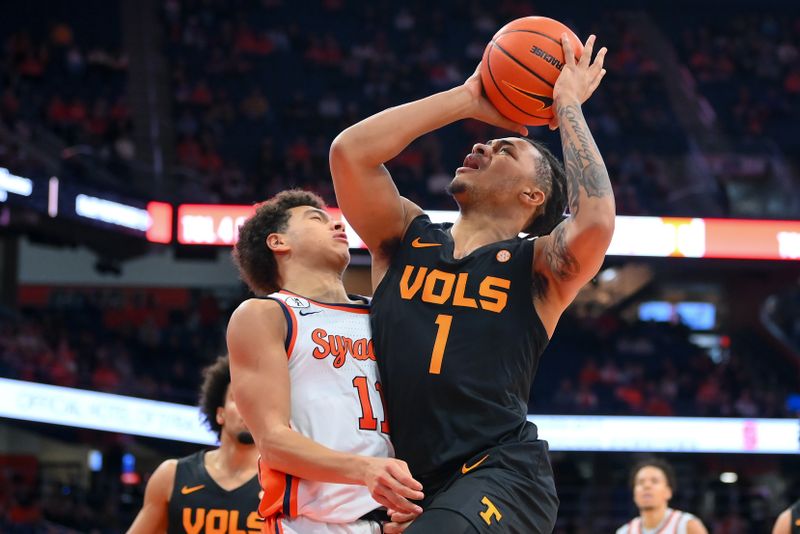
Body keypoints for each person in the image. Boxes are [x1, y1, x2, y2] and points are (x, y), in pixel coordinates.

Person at [330, 33, 613, 533]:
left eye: (505, 148)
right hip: (418, 480)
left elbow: (594, 222)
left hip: (502, 471)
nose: (482, 142)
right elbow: (350, 152)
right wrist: (466, 97)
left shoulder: (539, 266)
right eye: (486, 138)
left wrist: (566, 104)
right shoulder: (404, 236)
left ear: (533, 193)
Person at [226, 190, 423, 534]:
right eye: (316, 219)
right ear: (278, 242)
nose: (336, 223)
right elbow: (273, 442)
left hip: (393, 522)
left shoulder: (384, 313)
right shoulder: (267, 314)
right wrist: (364, 469)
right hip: (311, 525)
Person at [127, 355, 262, 534]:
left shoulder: (282, 487)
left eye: (257, 401)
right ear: (220, 413)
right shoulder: (171, 476)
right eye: (239, 398)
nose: (248, 407)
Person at [616, 458, 708, 534]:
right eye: (640, 482)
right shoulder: (625, 531)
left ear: (668, 491)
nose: (647, 486)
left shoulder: (687, 525)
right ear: (634, 494)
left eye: (654, 481)